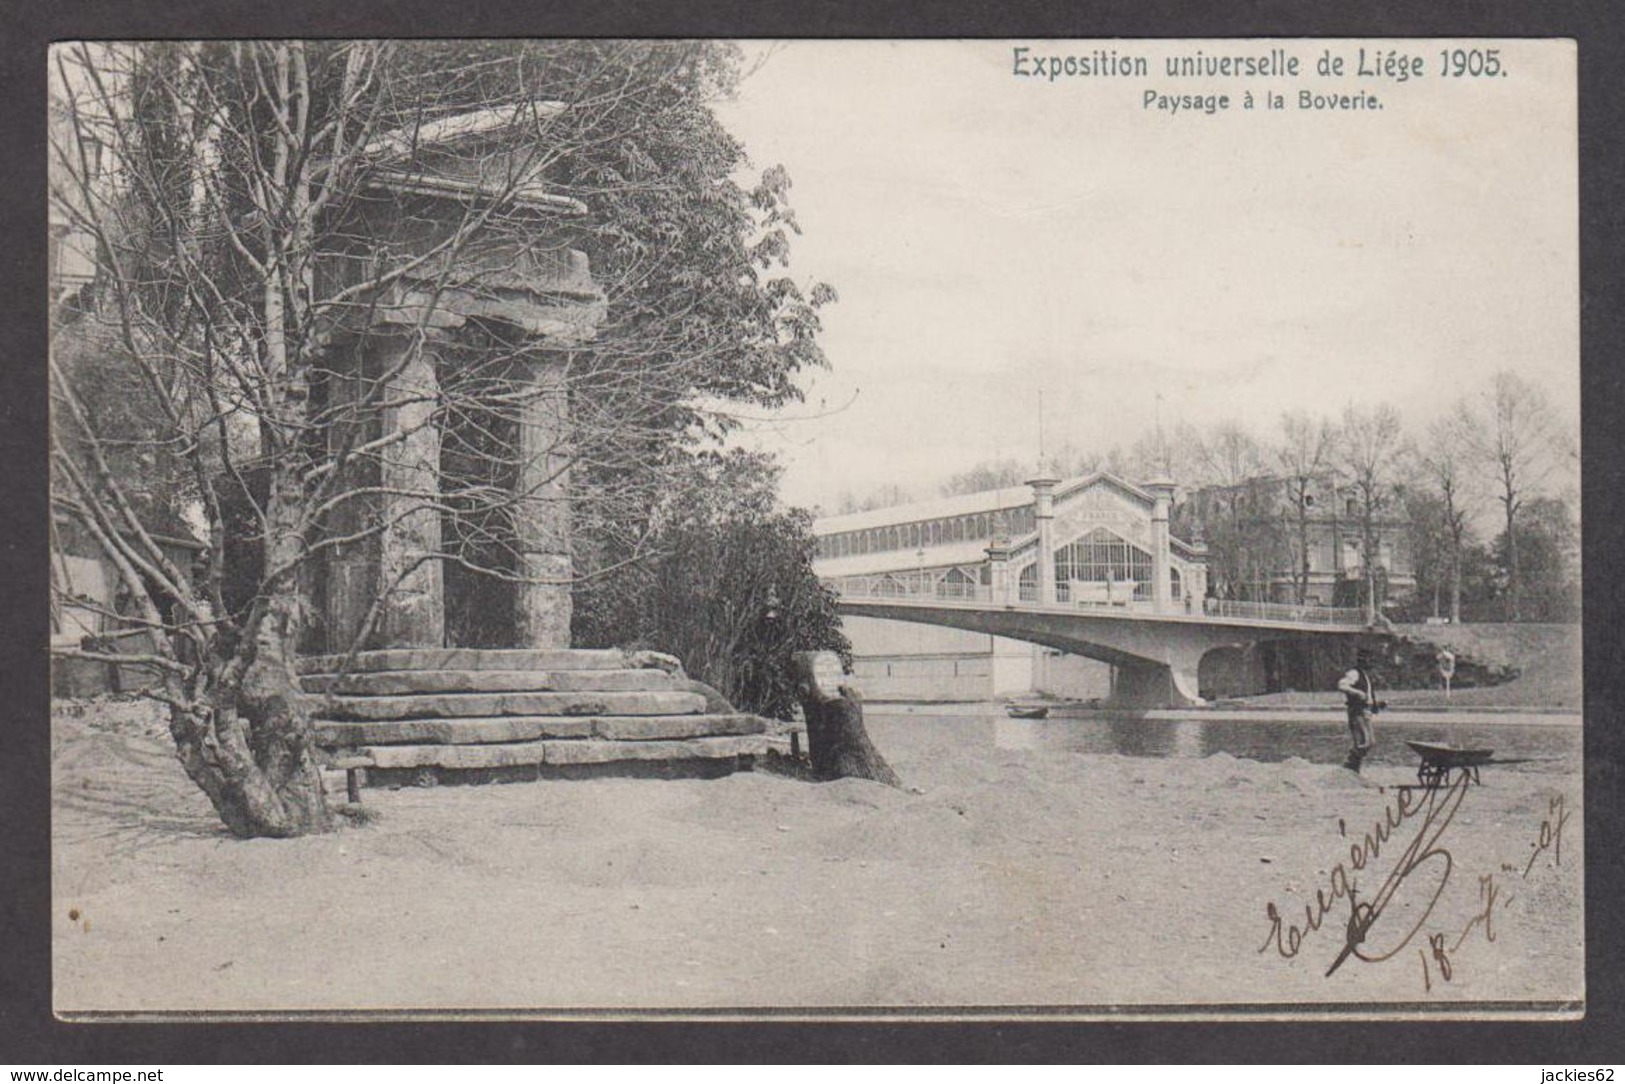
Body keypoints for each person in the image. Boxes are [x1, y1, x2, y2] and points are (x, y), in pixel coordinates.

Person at [1336, 649, 1380, 772]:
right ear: (1363, 661)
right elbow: (1342, 685)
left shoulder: (1365, 675)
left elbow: (1368, 695)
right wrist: (1357, 693)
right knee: (1364, 741)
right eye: (1369, 660)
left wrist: (1376, 705)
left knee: (1370, 741)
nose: (1371, 663)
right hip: (1357, 712)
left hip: (1366, 712)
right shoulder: (1354, 673)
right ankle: (1350, 764)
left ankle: (1354, 767)